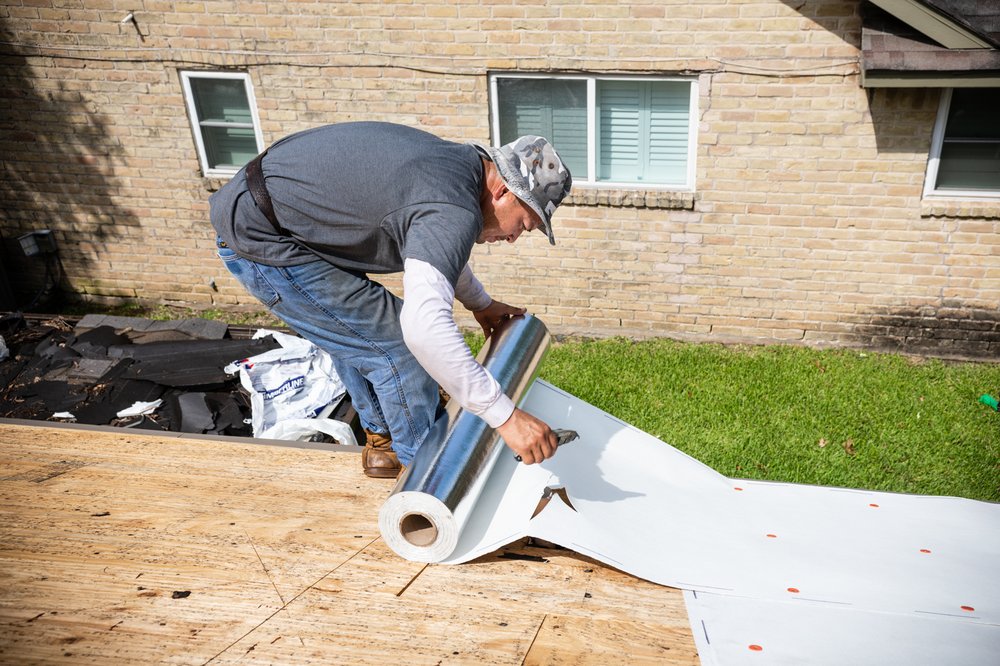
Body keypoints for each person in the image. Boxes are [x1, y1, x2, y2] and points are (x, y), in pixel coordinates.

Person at [209, 122, 573, 478]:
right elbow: (424, 331)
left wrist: (480, 303)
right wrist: (506, 418)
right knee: (399, 348)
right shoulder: (451, 206)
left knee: (359, 330)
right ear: (504, 191)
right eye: (523, 224)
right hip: (263, 234)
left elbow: (440, 249)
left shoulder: (457, 172)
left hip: (284, 215)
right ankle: (423, 480)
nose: (513, 238)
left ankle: (383, 442)